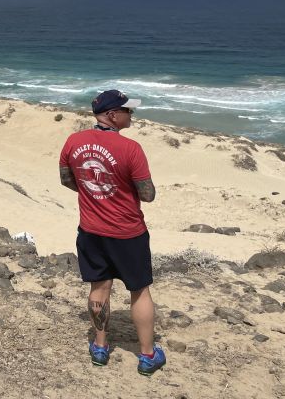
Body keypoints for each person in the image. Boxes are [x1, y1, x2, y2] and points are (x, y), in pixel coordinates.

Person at [58, 89, 166, 376]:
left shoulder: (74, 141)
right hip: (127, 231)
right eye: (128, 111)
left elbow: (67, 179)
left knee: (99, 287)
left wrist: (95, 194)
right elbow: (148, 194)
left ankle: (100, 347)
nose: (132, 115)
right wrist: (119, 191)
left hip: (91, 229)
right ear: (112, 115)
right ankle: (147, 355)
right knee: (139, 290)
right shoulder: (131, 149)